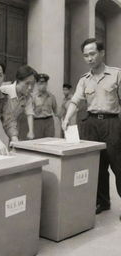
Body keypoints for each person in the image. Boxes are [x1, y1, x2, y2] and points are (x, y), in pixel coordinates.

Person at [62, 38, 121, 215]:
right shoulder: (84, 79)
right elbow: (75, 101)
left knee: (118, 165)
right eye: (86, 55)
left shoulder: (116, 74)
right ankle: (102, 202)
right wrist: (66, 118)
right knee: (97, 164)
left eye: (92, 54)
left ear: (102, 53)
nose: (89, 58)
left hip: (112, 123)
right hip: (91, 124)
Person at [0, 65, 37, 140]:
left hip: (12, 126)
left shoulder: (28, 97)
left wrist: (30, 131)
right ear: (18, 81)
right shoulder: (3, 91)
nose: (30, 87)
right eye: (27, 83)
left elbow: (30, 113)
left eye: (33, 84)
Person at [26, 73, 57, 139]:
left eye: (44, 83)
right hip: (37, 122)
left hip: (49, 121)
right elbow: (29, 113)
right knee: (37, 143)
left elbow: (56, 112)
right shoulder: (32, 97)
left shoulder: (51, 97)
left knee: (50, 141)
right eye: (40, 83)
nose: (42, 85)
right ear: (37, 84)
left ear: (46, 84)